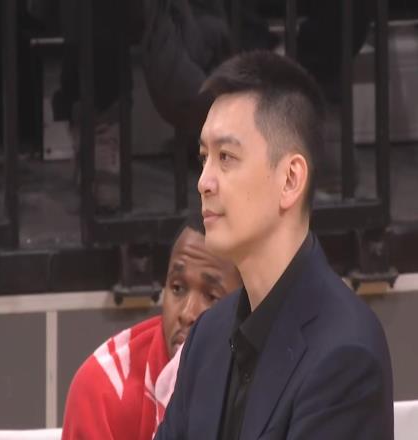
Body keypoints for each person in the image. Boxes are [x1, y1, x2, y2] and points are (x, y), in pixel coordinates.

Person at [155, 51, 393, 440]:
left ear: (290, 180)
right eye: (203, 158)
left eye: (226, 157)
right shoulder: (207, 336)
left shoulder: (345, 354)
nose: (204, 182)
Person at [61, 215, 241, 440]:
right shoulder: (104, 390)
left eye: (211, 296)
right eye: (177, 288)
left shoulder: (266, 385)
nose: (187, 314)